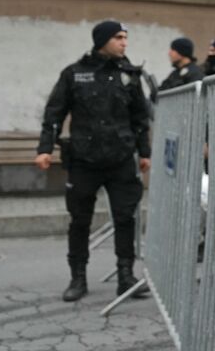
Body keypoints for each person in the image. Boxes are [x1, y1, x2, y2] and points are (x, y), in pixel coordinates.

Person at [35, 20, 152, 302]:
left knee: (126, 218)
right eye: (118, 38)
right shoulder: (74, 74)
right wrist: (45, 148)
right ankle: (78, 277)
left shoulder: (129, 75)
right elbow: (54, 114)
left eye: (126, 37)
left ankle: (126, 276)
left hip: (120, 158)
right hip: (84, 159)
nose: (124, 43)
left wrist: (144, 152)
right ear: (102, 40)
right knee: (80, 220)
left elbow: (140, 118)